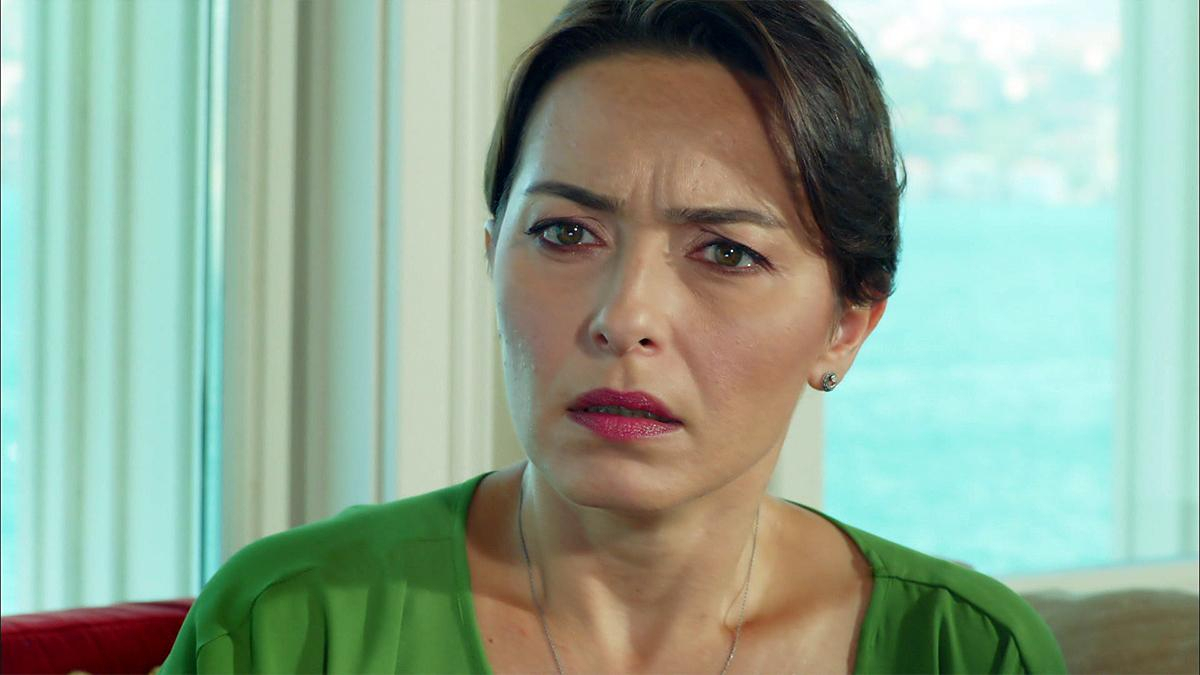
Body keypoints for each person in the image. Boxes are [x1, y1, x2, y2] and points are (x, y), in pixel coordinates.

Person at [161, 0, 1067, 672]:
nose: (624, 317)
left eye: (725, 251)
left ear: (847, 325)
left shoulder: (963, 648)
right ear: (492, 256)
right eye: (565, 233)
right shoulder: (289, 626)